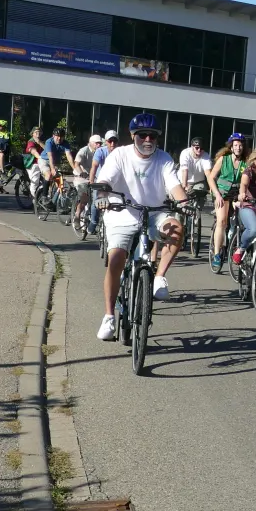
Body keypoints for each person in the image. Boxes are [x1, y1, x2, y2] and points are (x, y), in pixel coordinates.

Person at [94, 113, 190, 340]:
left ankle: (158, 277)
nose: (148, 140)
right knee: (116, 258)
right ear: (133, 135)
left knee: (176, 228)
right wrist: (102, 195)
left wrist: (184, 203)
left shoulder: (164, 158)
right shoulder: (120, 154)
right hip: (122, 212)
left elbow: (174, 185)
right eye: (142, 135)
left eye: (153, 136)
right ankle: (108, 317)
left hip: (155, 212)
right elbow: (105, 180)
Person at [206, 133, 249, 268]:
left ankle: (236, 247)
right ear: (231, 147)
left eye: (240, 145)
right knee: (222, 221)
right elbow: (211, 177)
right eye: (235, 145)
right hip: (222, 193)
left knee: (242, 222)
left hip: (237, 194)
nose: (238, 147)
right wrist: (217, 194)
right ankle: (217, 254)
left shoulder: (246, 163)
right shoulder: (223, 160)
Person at [37, 127, 77, 201]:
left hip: (55, 162)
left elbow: (69, 156)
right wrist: (52, 169)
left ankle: (56, 200)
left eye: (61, 137)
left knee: (59, 180)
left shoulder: (65, 143)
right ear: (53, 136)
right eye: (57, 136)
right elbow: (50, 156)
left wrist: (75, 169)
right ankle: (44, 196)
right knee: (48, 174)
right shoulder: (49, 142)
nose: (59, 138)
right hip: (44, 160)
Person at [72, 134, 102, 223]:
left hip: (93, 177)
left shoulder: (100, 151)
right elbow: (76, 164)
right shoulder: (83, 151)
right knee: (84, 196)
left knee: (98, 196)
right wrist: (82, 172)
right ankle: (77, 215)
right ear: (90, 143)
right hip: (81, 177)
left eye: (100, 143)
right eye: (97, 143)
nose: (99, 145)